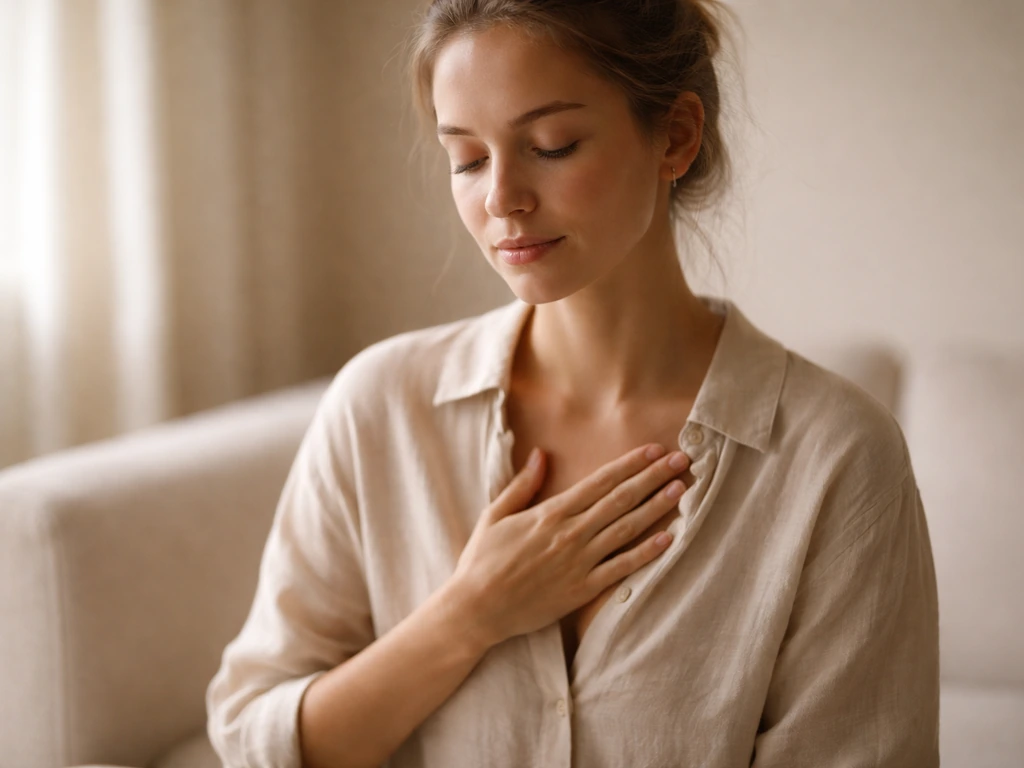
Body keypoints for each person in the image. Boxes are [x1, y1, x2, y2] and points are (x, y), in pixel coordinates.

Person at [206, 1, 940, 766]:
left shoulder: (836, 458)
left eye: (552, 145)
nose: (501, 199)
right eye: (467, 158)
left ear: (676, 136)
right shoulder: (380, 407)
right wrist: (468, 616)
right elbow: (259, 741)